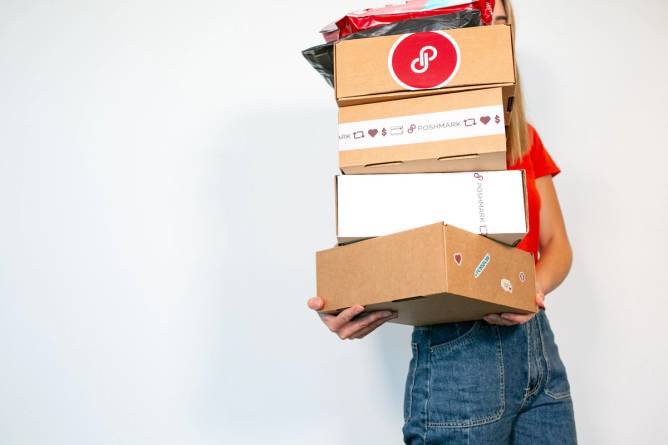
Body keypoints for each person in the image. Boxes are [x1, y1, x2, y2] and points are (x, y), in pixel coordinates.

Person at [307, 1, 577, 443]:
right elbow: (376, 229)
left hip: (539, 347)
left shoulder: (524, 136)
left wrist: (531, 290)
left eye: (500, 21)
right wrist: (347, 296)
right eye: (474, 18)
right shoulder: (409, 132)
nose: (489, 30)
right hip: (460, 354)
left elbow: (557, 245)